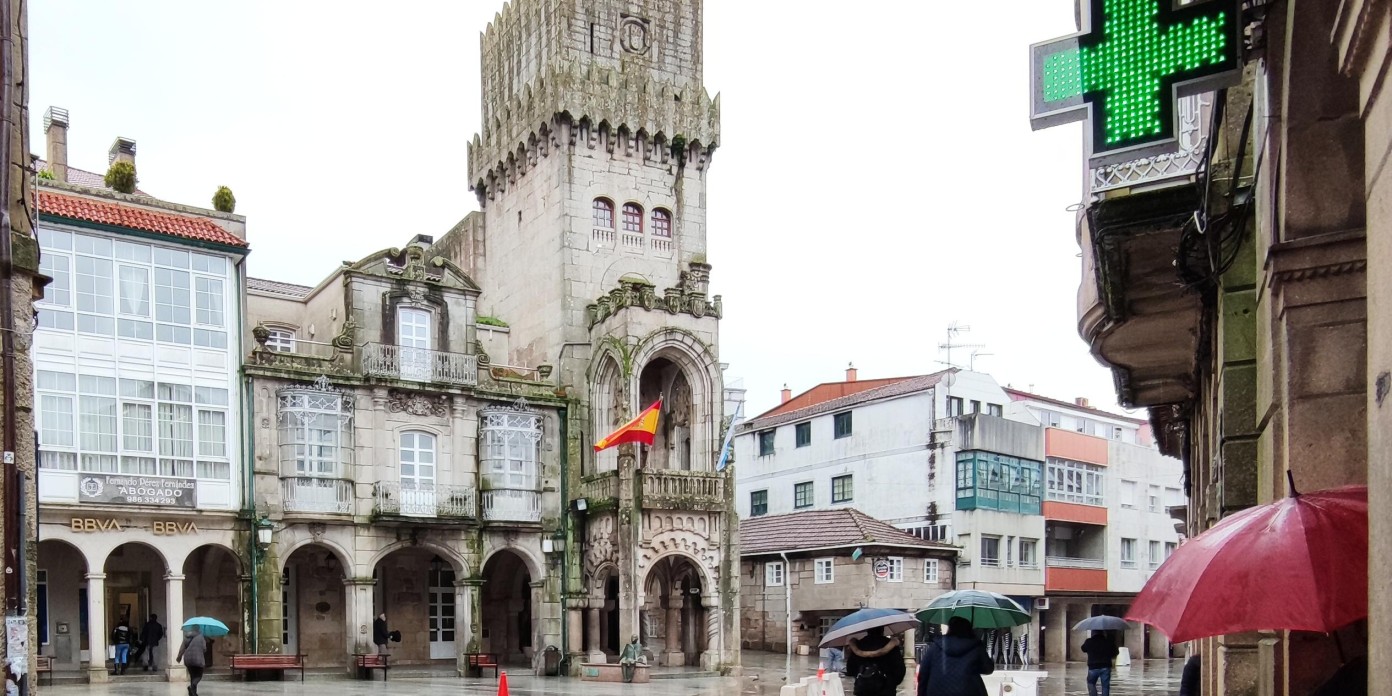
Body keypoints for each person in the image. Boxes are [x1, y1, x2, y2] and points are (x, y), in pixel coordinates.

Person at [916, 617, 993, 696]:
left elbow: (923, 673)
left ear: (950, 629)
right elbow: (988, 669)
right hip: (969, 691)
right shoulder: (976, 647)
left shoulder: (935, 647)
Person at [846, 626, 906, 696]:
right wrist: (891, 683)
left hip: (863, 690)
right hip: (886, 691)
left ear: (867, 630)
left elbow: (850, 670)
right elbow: (899, 671)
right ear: (882, 630)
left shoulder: (858, 645)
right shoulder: (890, 645)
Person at [1081, 630, 1120, 696]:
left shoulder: (1089, 641)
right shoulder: (1108, 641)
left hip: (1093, 667)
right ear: (1103, 633)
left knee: (1091, 683)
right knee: (1105, 686)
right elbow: (1116, 652)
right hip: (1105, 666)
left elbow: (1083, 649)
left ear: (1093, 633)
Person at [176, 627, 207, 696]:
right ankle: (191, 687)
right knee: (199, 675)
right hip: (198, 659)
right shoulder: (201, 637)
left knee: (193, 676)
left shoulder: (187, 636)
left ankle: (193, 692)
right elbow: (204, 649)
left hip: (187, 659)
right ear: (198, 629)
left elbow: (182, 648)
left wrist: (179, 657)